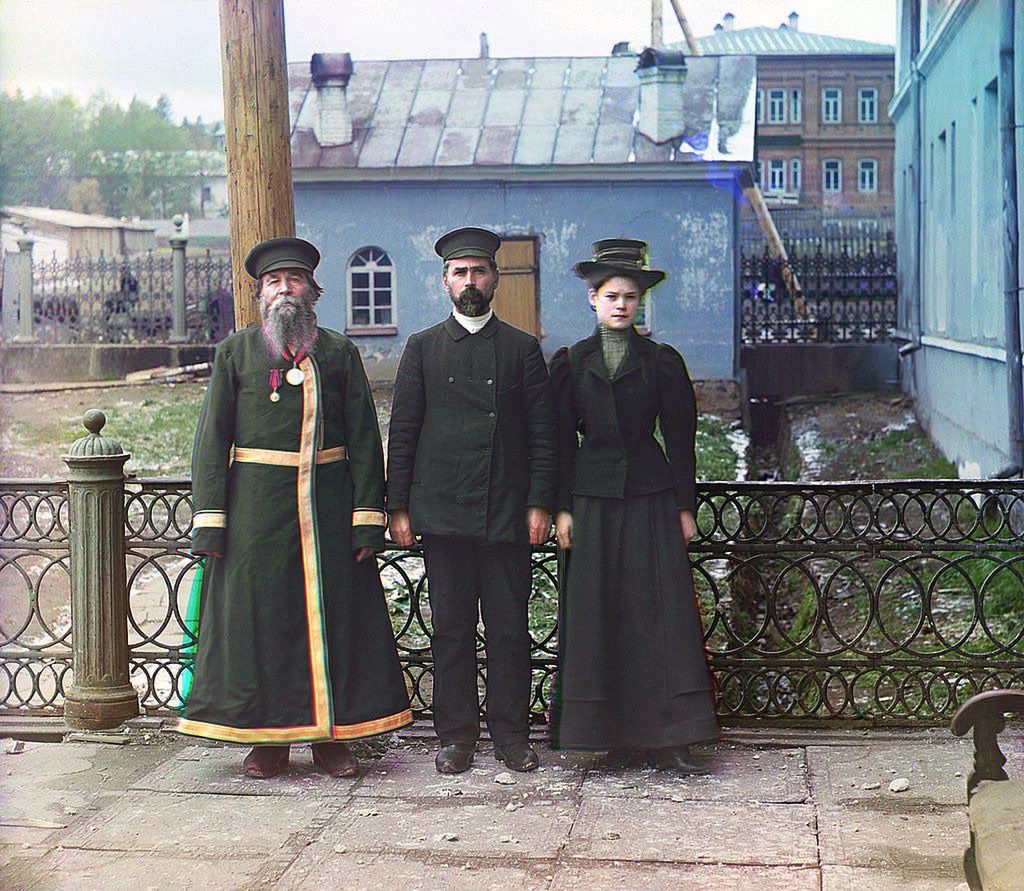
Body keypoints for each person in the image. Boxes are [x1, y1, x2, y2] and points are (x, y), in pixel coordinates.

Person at [178, 236, 412, 779]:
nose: (284, 290)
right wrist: (210, 520)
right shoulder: (234, 354)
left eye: (294, 280)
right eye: (273, 283)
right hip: (256, 515)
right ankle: (268, 743)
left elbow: (362, 439)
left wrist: (365, 518)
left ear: (313, 290)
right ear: (260, 295)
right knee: (264, 625)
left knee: (334, 622)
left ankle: (334, 740)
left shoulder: (338, 353)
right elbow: (212, 443)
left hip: (327, 513)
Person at [387, 227, 557, 775]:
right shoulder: (422, 348)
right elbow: (404, 431)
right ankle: (455, 736)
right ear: (444, 282)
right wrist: (399, 508)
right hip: (443, 512)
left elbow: (543, 436)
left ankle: (511, 735)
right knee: (452, 630)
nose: (470, 282)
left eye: (478, 271)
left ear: (496, 279)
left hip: (507, 513)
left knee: (509, 629)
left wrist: (539, 504)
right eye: (459, 273)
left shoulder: (522, 349)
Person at [548, 238, 719, 773]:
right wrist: (561, 509)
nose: (621, 305)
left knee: (658, 614)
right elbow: (555, 443)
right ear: (592, 300)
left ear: (640, 302)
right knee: (599, 612)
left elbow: (680, 437)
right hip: (591, 501)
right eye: (611, 295)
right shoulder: (572, 363)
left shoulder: (662, 362)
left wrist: (684, 506)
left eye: (630, 296)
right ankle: (609, 736)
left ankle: (669, 738)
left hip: (650, 498)